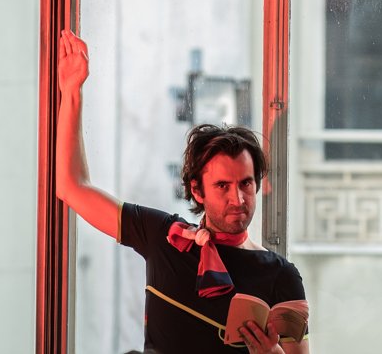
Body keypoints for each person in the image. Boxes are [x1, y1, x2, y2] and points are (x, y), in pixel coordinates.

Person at [56, 30, 311, 354]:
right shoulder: (164, 236)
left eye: (246, 183)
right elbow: (72, 187)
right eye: (223, 186)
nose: (238, 199)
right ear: (197, 190)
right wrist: (72, 91)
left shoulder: (281, 275)